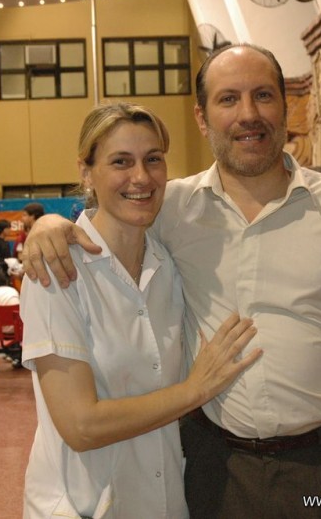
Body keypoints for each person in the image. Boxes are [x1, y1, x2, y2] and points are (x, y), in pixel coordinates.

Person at [22, 44, 321, 518]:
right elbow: (111, 212)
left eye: (263, 95)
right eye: (228, 99)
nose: (248, 114)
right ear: (202, 118)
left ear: (285, 107)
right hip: (216, 470)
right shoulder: (172, 208)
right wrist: (48, 224)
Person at [21, 102, 262, 518]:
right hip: (83, 505)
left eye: (153, 159)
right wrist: (193, 391)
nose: (141, 177)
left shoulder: (170, 267)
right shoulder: (58, 272)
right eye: (121, 161)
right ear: (86, 172)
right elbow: (81, 426)